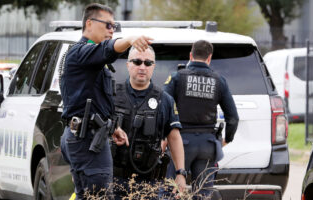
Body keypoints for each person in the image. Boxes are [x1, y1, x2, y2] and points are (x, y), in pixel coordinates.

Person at [60, 3, 153, 199]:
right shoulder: (80, 52)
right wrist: (128, 40)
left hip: (92, 136)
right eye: (108, 25)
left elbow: (96, 100)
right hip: (86, 140)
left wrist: (113, 128)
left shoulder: (93, 61)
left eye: (115, 26)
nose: (112, 30)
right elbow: (107, 49)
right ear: (90, 23)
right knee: (100, 196)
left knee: (89, 195)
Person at [164, 40, 239, 199]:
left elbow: (163, 106)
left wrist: (163, 137)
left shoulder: (177, 77)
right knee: (203, 195)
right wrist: (227, 139)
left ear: (190, 55)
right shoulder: (219, 81)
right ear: (209, 58)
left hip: (180, 143)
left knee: (171, 192)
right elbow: (233, 117)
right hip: (207, 146)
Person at [111, 45, 186, 199]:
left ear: (153, 67)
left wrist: (180, 173)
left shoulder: (164, 100)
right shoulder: (111, 95)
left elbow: (174, 137)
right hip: (112, 179)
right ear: (128, 64)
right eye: (137, 62)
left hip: (147, 184)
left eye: (148, 63)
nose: (142, 67)